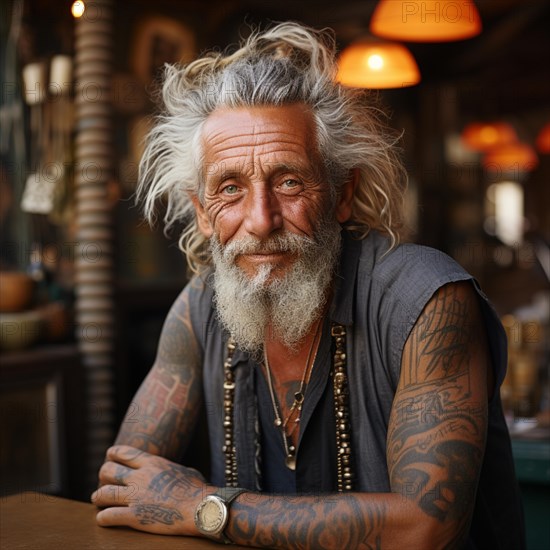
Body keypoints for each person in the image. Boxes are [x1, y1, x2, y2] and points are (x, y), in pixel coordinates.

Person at [91, 22, 525, 549]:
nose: (261, 219)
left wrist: (205, 509)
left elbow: (424, 528)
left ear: (342, 195)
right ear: (203, 213)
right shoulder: (198, 311)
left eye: (289, 181)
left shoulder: (426, 300)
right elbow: (123, 489)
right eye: (230, 189)